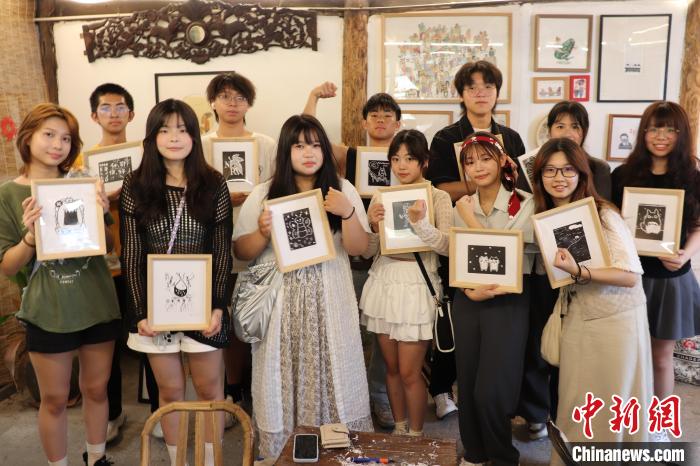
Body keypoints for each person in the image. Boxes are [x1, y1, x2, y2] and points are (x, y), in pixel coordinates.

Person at [233, 114, 372, 459]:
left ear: (325, 149)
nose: (308, 153)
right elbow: (241, 251)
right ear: (286, 151)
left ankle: (335, 452)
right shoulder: (264, 193)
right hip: (281, 309)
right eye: (298, 146)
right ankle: (284, 453)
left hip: (331, 302)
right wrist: (261, 233)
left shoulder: (342, 189)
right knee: (281, 376)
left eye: (315, 145)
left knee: (334, 374)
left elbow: (360, 248)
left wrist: (348, 213)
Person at [0, 103, 120, 466]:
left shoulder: (82, 185)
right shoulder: (7, 194)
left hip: (96, 302)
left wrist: (101, 213)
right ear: (27, 137)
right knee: (54, 398)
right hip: (48, 310)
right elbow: (8, 266)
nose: (58, 145)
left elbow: (108, 247)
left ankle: (97, 458)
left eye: (66, 138)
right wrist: (31, 237)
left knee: (96, 389)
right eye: (49, 135)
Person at [120, 99, 232, 466]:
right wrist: (141, 313)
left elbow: (222, 252)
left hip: (203, 309)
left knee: (210, 390)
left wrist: (217, 307)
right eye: (165, 129)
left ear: (194, 136)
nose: (174, 137)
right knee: (169, 392)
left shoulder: (214, 184)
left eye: (182, 129)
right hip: (156, 311)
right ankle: (178, 461)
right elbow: (131, 254)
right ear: (152, 137)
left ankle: (210, 462)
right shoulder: (135, 185)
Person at [533, 138, 653, 457]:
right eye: (550, 170)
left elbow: (630, 275)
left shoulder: (603, 214)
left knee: (610, 405)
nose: (559, 177)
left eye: (568, 169)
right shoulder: (547, 217)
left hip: (616, 319)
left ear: (582, 173)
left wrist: (578, 271)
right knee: (576, 404)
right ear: (540, 176)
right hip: (577, 315)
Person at [426, 60, 527, 420]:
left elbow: (522, 186)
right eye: (472, 87)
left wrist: (498, 180)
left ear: (497, 93)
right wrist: (485, 178)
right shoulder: (445, 138)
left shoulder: (511, 137)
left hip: (502, 227)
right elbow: (439, 187)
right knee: (457, 313)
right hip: (460, 226)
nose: (480, 93)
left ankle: (503, 399)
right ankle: (442, 388)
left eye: (488, 86)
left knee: (500, 319)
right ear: (462, 94)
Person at [304, 82, 402, 428]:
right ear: (364, 122)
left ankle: (378, 395)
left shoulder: (405, 156)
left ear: (398, 123)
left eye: (387, 115)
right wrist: (314, 97)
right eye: (374, 115)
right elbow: (308, 134)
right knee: (352, 332)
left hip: (392, 259)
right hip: (354, 256)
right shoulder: (352, 155)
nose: (380, 120)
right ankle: (350, 394)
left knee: (385, 333)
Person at [517, 100, 611, 440]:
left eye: (575, 126)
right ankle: (535, 413)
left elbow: (599, 219)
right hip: (541, 272)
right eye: (560, 125)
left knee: (571, 350)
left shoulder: (598, 169)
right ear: (550, 131)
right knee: (537, 344)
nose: (568, 132)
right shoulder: (533, 166)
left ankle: (567, 418)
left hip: (582, 275)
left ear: (583, 132)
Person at [448, 132, 534, 466]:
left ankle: (502, 456)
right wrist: (468, 291)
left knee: (493, 388)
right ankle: (475, 452)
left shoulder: (523, 203)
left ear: (502, 160)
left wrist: (469, 219)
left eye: (485, 158)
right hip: (469, 299)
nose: (478, 167)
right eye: (470, 162)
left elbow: (499, 256)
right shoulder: (462, 205)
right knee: (467, 383)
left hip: (508, 301)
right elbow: (458, 256)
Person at [360, 129, 452, 436]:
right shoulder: (381, 197)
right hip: (385, 281)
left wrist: (420, 224)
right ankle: (400, 430)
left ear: (424, 162)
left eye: (410, 158)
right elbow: (369, 251)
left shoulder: (437, 197)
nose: (402, 165)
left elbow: (447, 246)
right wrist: (373, 227)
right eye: (396, 159)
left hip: (417, 284)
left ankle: (416, 435)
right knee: (392, 369)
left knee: (411, 372)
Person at [611, 101, 700, 411]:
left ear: (681, 134)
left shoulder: (693, 177)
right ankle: (629, 420)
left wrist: (685, 255)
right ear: (643, 133)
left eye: (670, 130)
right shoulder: (622, 175)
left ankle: (659, 423)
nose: (661, 136)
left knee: (661, 357)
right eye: (654, 129)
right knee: (626, 355)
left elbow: (697, 227)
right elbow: (610, 224)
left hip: (669, 279)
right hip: (627, 277)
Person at [201, 71, 277, 421]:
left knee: (261, 314)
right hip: (215, 244)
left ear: (249, 103)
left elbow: (279, 190)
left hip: (259, 243)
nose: (232, 103)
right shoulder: (202, 145)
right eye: (225, 96)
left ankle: (259, 384)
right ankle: (233, 388)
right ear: (213, 102)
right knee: (225, 317)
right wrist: (221, 198)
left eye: (240, 97)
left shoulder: (266, 144)